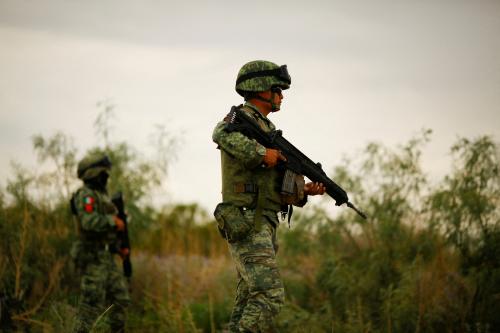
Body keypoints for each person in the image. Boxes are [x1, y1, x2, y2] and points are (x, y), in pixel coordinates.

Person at [212, 60, 326, 332]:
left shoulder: (266, 129)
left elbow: (272, 185)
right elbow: (220, 133)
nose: (282, 96)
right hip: (246, 219)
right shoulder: (240, 120)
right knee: (270, 296)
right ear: (262, 89)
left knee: (249, 295)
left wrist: (303, 190)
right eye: (278, 89)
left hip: (263, 220)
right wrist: (264, 154)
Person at [70, 154, 130, 333]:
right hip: (92, 257)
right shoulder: (86, 195)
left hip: (106, 257)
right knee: (90, 306)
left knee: (121, 298)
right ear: (94, 174)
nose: (106, 177)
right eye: (103, 173)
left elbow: (106, 233)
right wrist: (113, 221)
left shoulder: (102, 196)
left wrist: (119, 249)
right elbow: (88, 222)